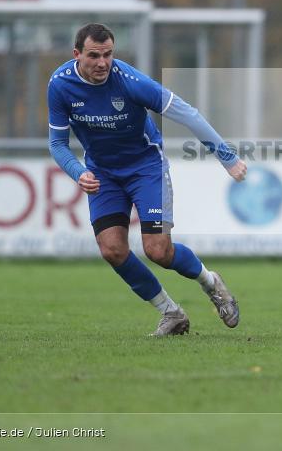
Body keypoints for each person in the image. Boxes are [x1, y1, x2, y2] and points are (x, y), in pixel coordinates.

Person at [47, 23, 246, 337]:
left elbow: (188, 113)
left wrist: (227, 157)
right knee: (112, 249)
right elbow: (57, 143)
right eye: (94, 55)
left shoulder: (130, 82)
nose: (102, 63)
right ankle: (171, 312)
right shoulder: (60, 85)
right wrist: (78, 171)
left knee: (158, 250)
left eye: (108, 55)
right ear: (77, 55)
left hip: (145, 168)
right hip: (102, 173)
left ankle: (211, 282)